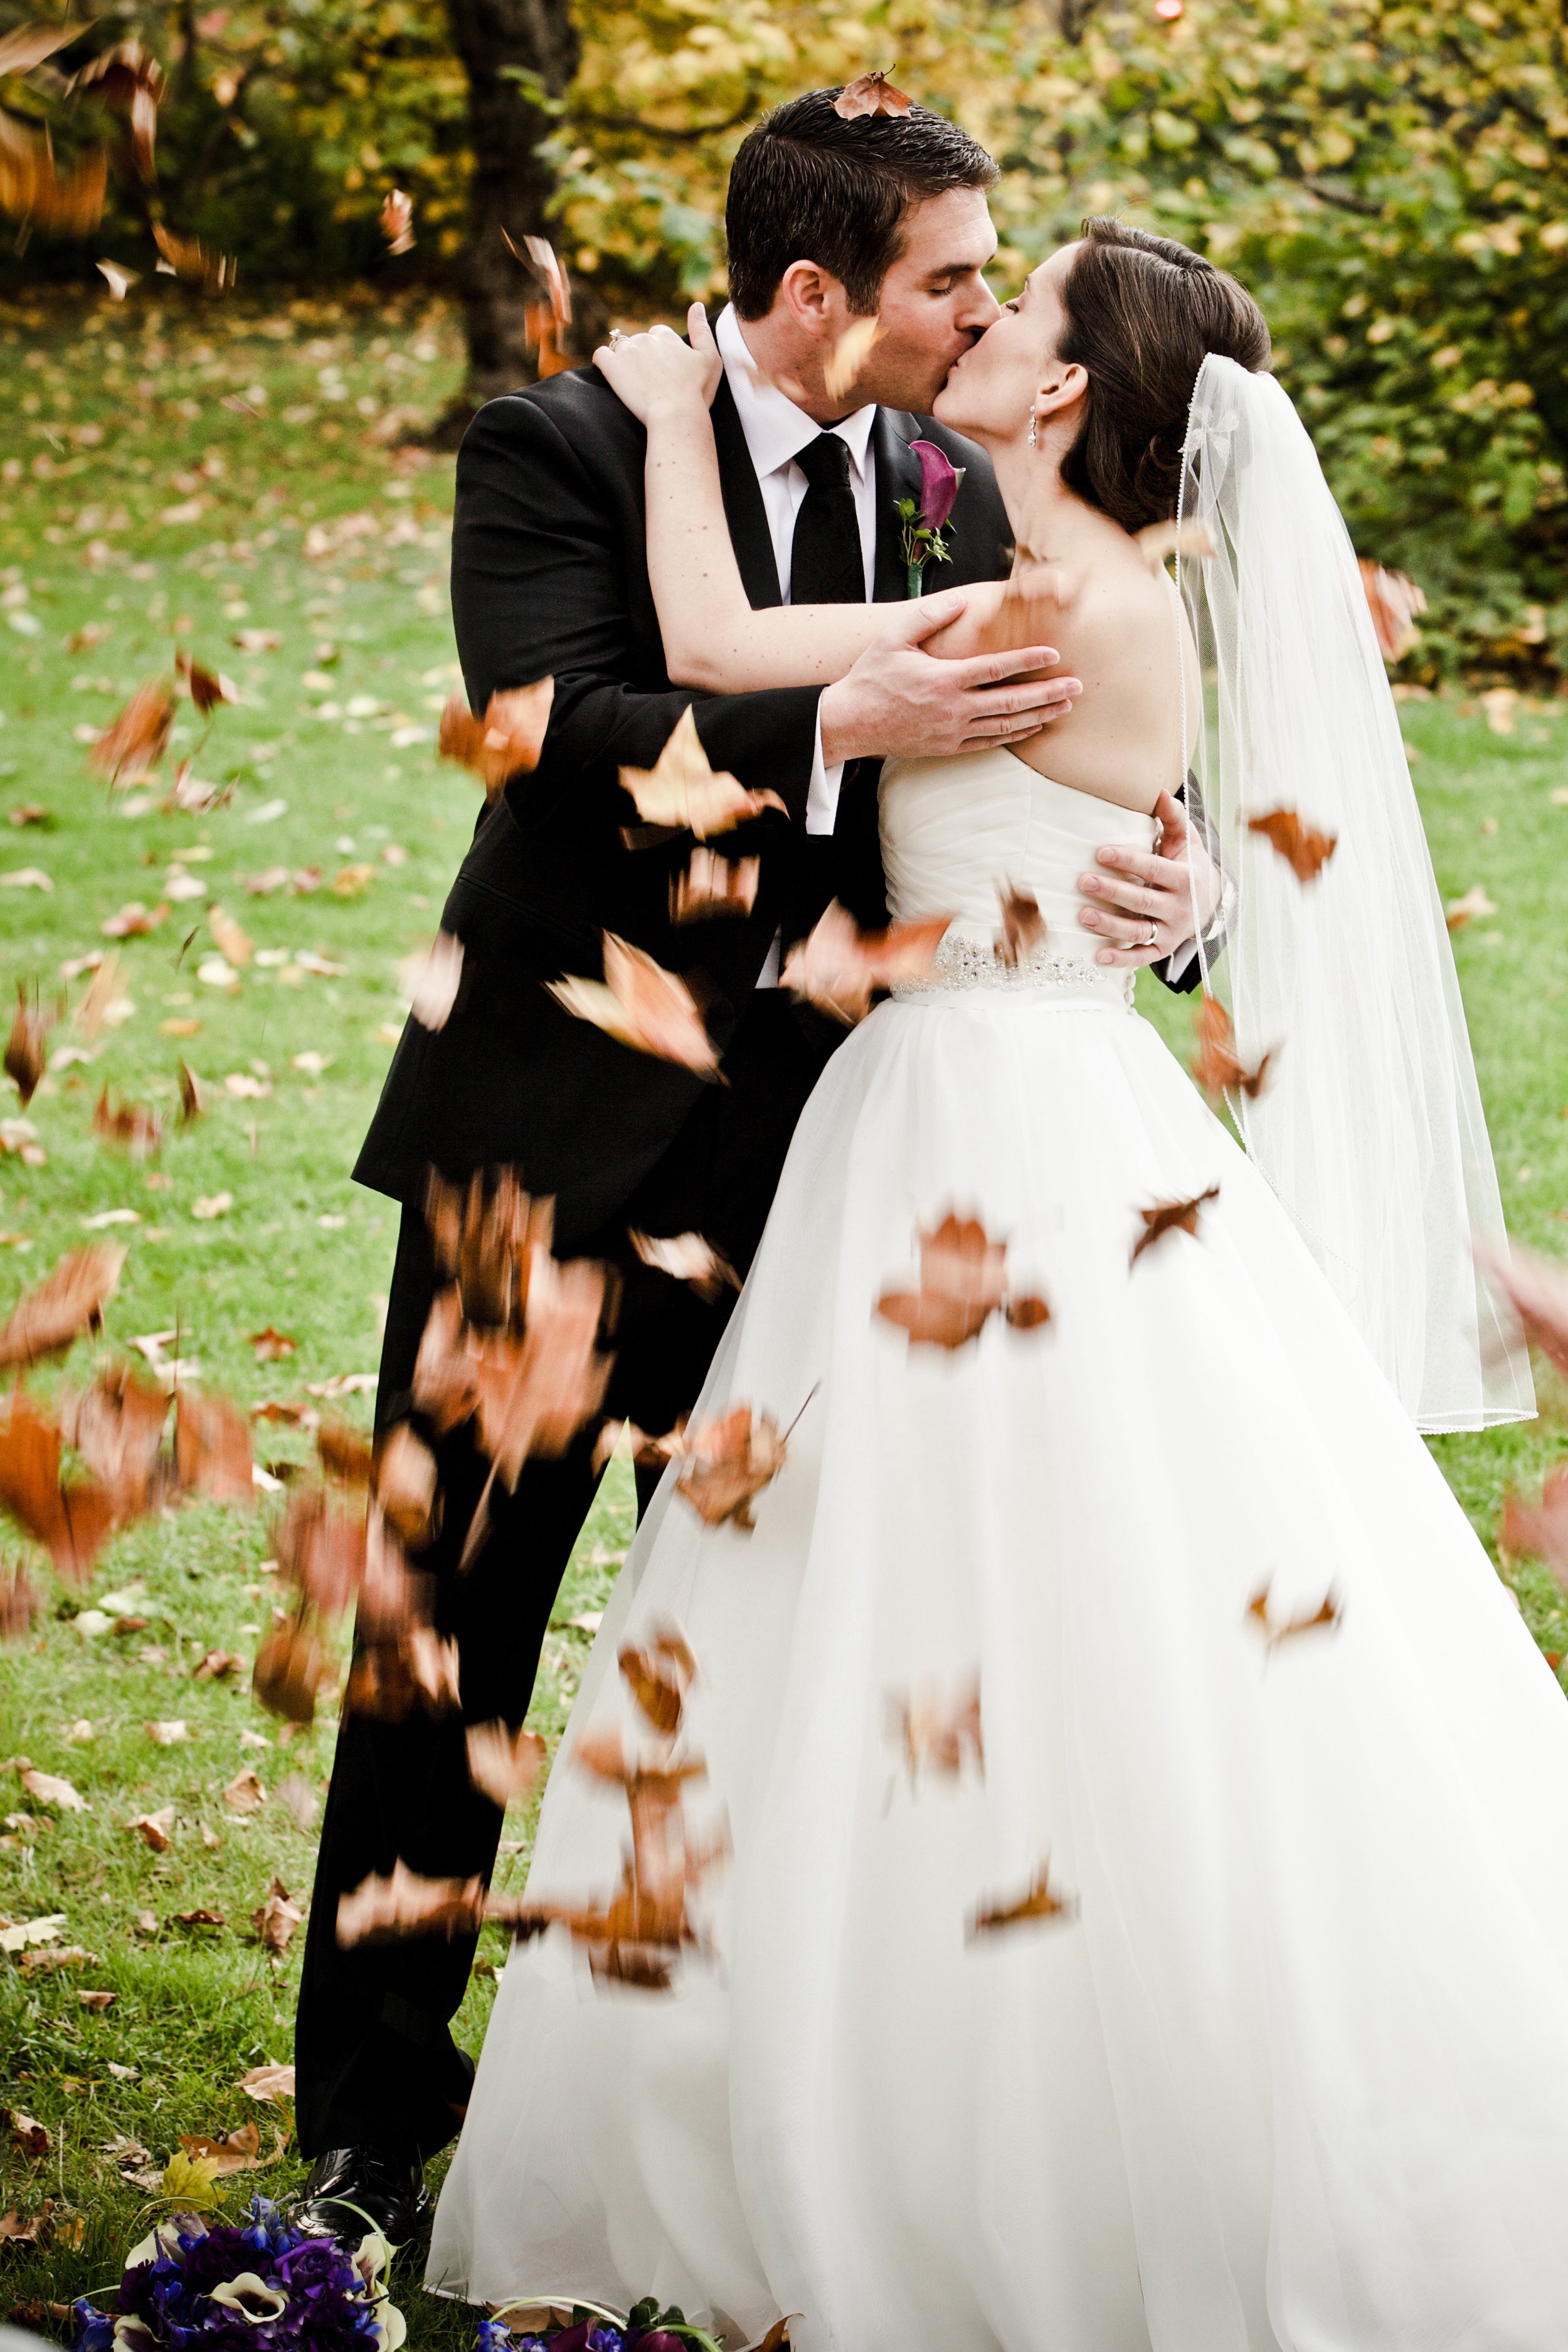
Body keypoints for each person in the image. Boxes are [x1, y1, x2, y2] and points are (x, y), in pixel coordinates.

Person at [424, 223, 1568, 2349]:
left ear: (1060, 395)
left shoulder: (1039, 593)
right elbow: (1116, 801)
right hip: (1019, 1108)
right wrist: (1178, 858)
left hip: (973, 1130)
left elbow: (713, 633)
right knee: (1025, 1592)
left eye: (1009, 308)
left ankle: (942, 2110)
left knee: (953, 1589)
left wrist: (676, 419)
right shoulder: (1091, 583)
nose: (976, 323)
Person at [292, 93, 1218, 2242]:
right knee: (449, 1643)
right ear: (819, 296)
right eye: (945, 281)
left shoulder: (946, 477)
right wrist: (844, 725)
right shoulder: (562, 447)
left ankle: (720, 2107)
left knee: (772, 1639)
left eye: (994, 281)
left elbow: (1097, 748)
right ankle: (364, 2122)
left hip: (825, 1179)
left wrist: (1170, 886)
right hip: (541, 1148)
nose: (979, 309)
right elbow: (545, 721)